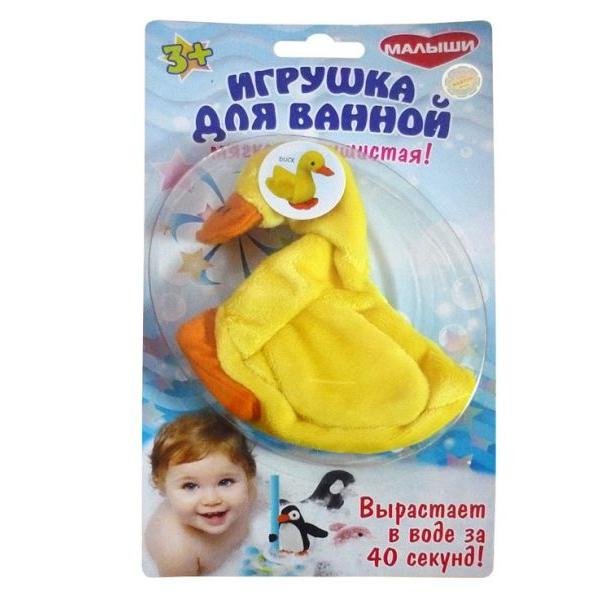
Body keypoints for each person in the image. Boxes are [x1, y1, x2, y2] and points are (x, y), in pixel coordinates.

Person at [145, 411, 256, 576]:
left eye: (225, 482)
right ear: (162, 488)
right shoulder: (177, 552)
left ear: (248, 475)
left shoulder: (247, 493)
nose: (211, 500)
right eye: (190, 486)